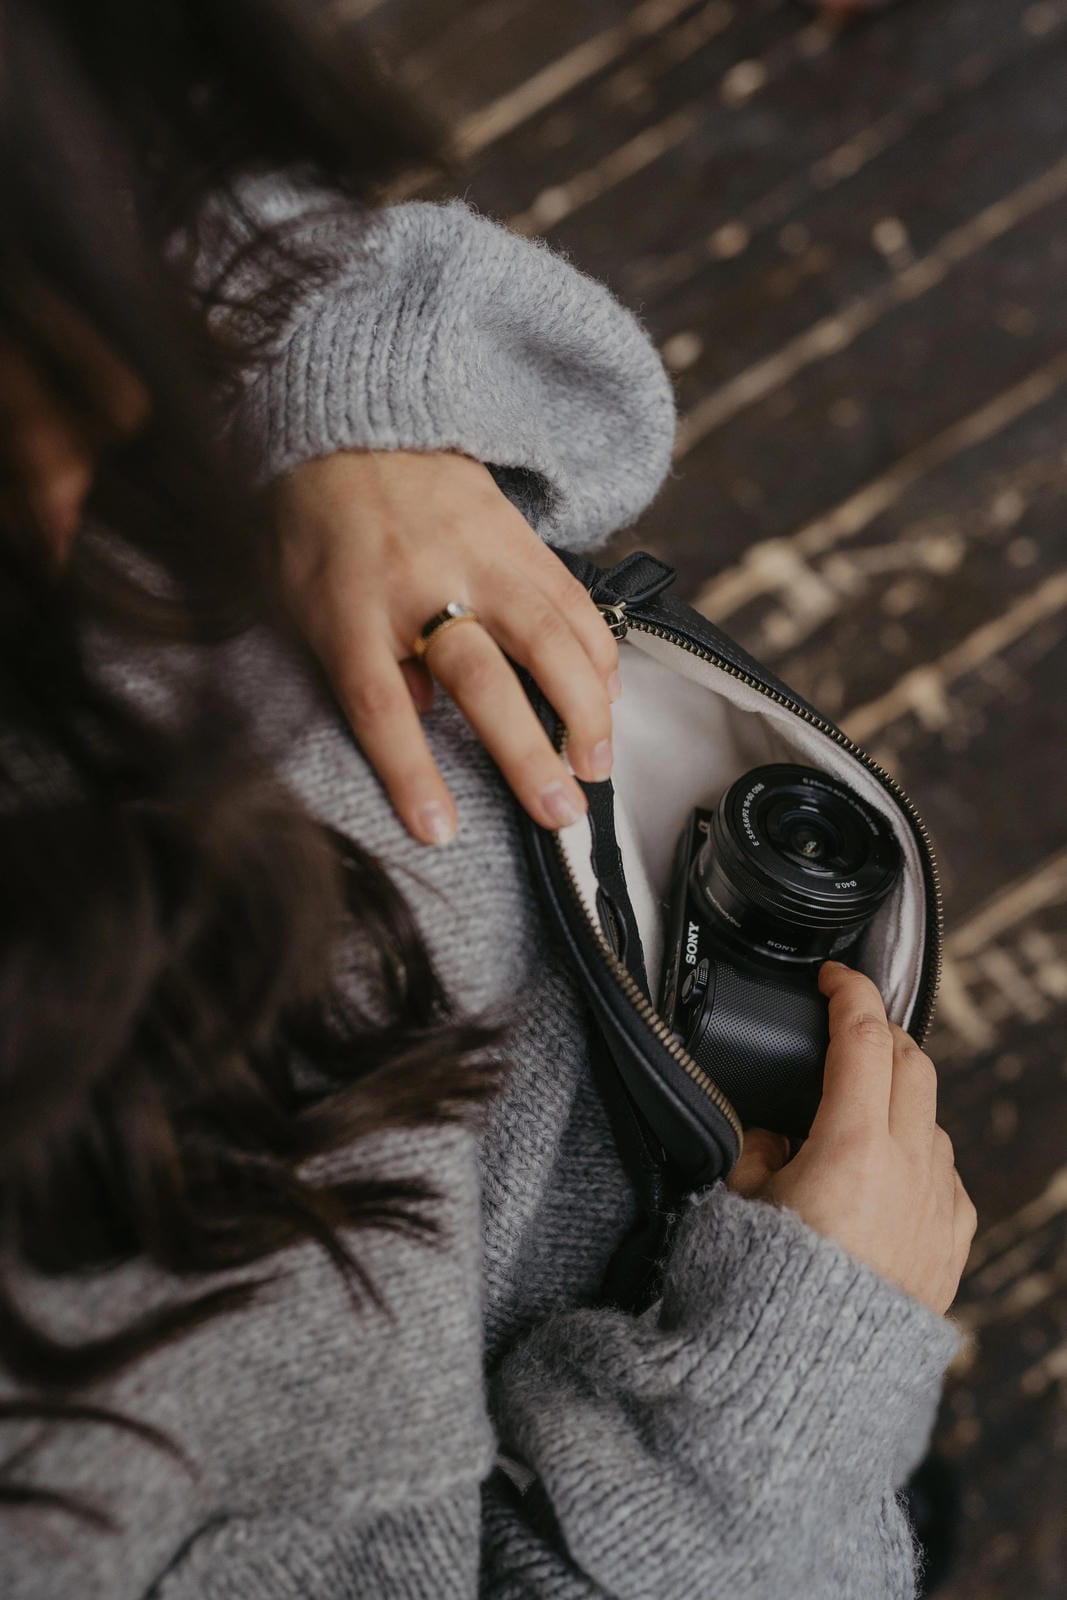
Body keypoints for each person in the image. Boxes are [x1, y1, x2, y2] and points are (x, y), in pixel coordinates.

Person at [0, 3, 975, 1596]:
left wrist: (324, 398)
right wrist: (770, 1409)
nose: (116, 423)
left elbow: (163, 189)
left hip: (691, 1220)